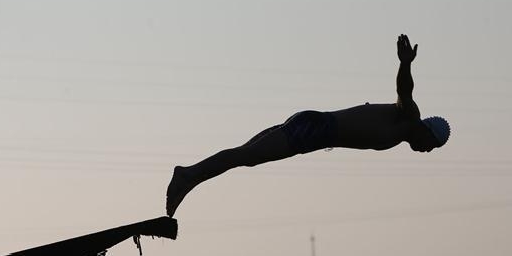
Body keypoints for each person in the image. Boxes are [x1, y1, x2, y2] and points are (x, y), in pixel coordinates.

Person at [165, 34, 451, 216]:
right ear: (427, 131)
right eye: (431, 145)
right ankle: (187, 175)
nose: (427, 151)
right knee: (245, 156)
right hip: (315, 129)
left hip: (314, 130)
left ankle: (190, 179)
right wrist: (405, 64)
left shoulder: (401, 133)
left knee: (245, 156)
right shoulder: (409, 117)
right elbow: (404, 90)